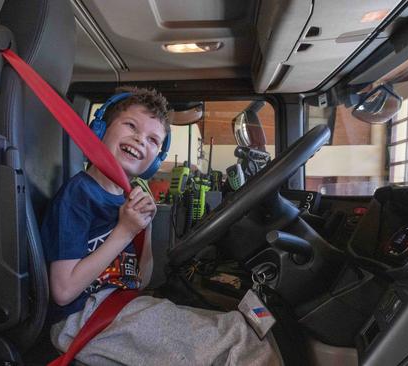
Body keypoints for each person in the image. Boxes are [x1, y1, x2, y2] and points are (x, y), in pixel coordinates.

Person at [41, 86, 281, 366]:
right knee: (241, 341)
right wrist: (125, 231)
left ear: (155, 160)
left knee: (245, 326)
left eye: (153, 139)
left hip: (121, 305)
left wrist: (145, 227)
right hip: (82, 319)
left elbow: (140, 281)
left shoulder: (127, 196)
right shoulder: (80, 194)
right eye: (130, 125)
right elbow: (63, 291)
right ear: (100, 127)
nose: (140, 140)